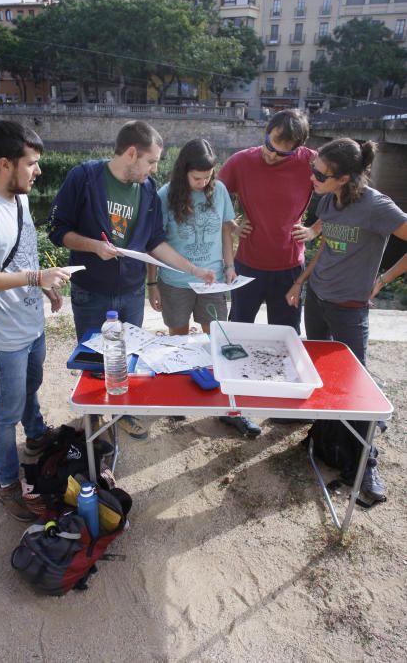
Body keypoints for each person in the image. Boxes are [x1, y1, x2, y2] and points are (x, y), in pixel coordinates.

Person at [47, 120, 215, 440]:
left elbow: (155, 241)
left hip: (131, 292)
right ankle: (93, 417)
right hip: (91, 290)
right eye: (151, 161)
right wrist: (93, 246)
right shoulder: (84, 177)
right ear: (131, 153)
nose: (154, 169)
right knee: (93, 358)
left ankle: (123, 411)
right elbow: (57, 230)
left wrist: (192, 269)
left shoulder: (148, 189)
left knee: (130, 356)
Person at [0, 120, 71, 521]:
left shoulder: (19, 199)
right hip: (2, 334)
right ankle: (7, 483)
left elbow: (24, 254)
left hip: (30, 321)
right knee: (6, 410)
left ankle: (37, 435)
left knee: (31, 385)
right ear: (5, 163)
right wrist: (34, 278)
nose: (38, 171)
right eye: (32, 163)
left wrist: (43, 286)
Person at [285, 137, 407, 501]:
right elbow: (326, 242)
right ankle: (325, 437)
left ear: (345, 178)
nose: (313, 178)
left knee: (358, 387)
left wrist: (384, 279)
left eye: (320, 175)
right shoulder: (329, 199)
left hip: (351, 307)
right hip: (318, 299)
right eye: (313, 170)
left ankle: (366, 465)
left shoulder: (376, 206)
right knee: (320, 371)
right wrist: (300, 281)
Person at [146, 138, 261, 437]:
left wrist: (230, 265)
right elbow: (155, 244)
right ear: (183, 171)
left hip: (212, 283)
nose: (202, 182)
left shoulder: (219, 190)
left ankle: (231, 408)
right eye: (197, 178)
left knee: (219, 341)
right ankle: (180, 397)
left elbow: (226, 231)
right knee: (179, 341)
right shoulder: (164, 195)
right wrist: (152, 283)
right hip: (175, 282)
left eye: (207, 177)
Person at [218, 108, 320, 334]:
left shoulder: (310, 161)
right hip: (248, 264)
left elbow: (344, 191)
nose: (272, 155)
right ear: (266, 131)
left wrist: (315, 229)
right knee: (237, 332)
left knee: (285, 335)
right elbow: (212, 195)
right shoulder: (241, 161)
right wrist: (233, 225)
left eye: (282, 153)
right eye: (270, 145)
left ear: (298, 148)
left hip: (290, 268)